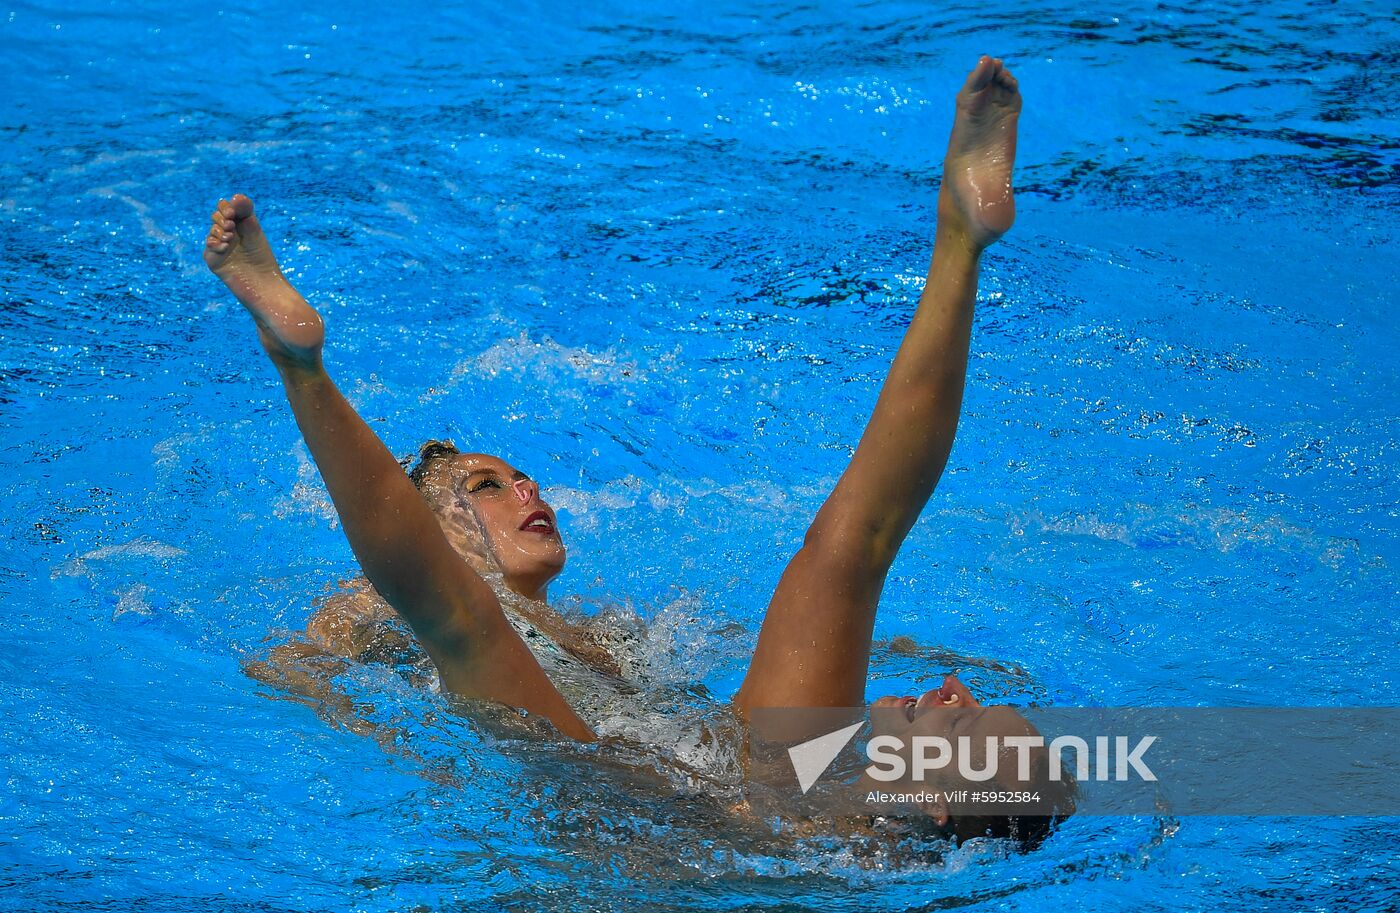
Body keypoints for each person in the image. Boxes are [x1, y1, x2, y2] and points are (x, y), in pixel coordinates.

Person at [207, 55, 1065, 842]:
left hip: (653, 800)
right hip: (737, 761)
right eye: (486, 485)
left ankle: (301, 369)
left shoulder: (837, 840)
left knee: (458, 620)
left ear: (932, 797)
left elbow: (419, 614)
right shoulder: (862, 820)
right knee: (850, 544)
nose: (959, 692)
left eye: (971, 724)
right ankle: (959, 236)